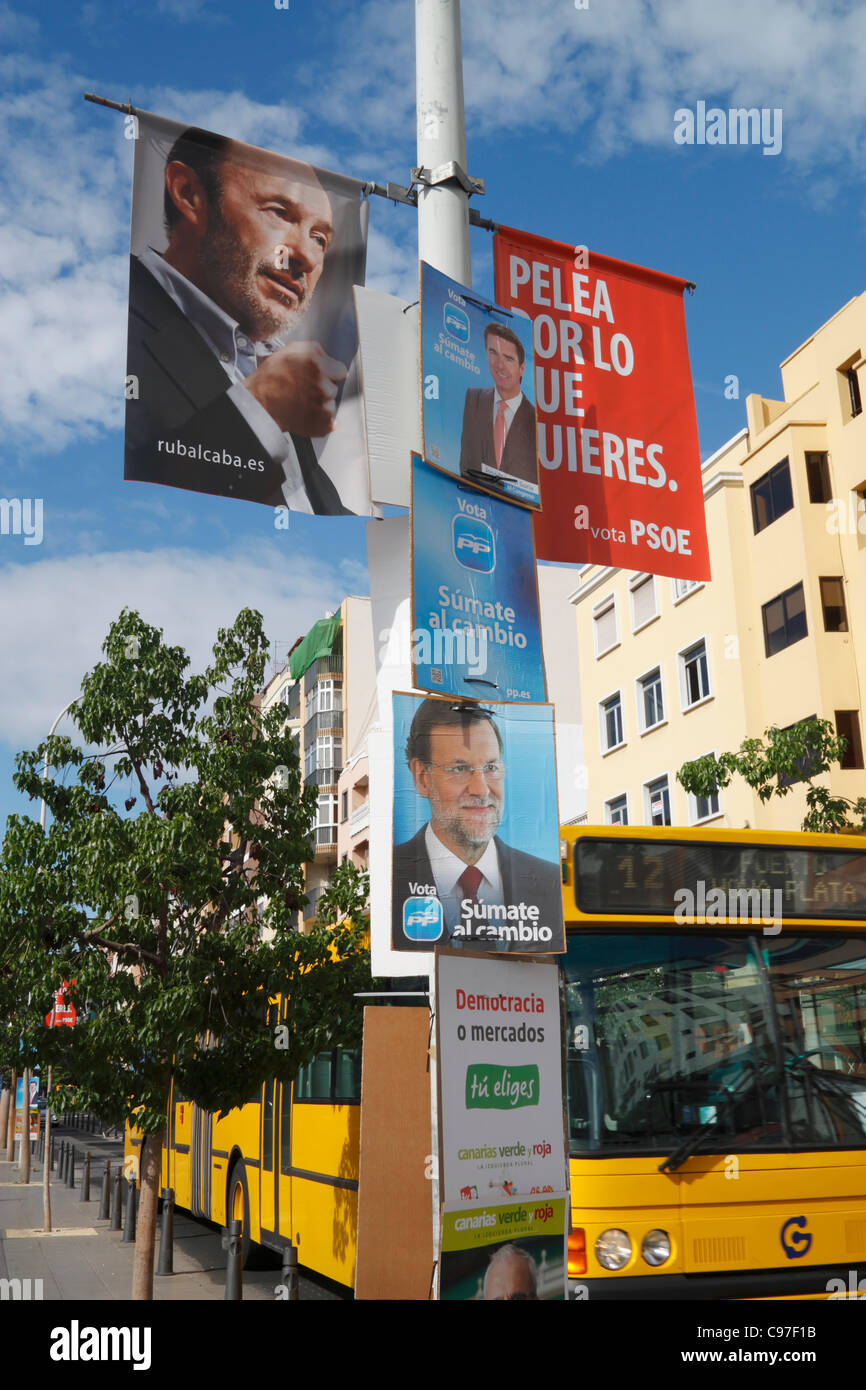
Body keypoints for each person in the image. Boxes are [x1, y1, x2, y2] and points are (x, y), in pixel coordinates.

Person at [125, 127, 354, 513]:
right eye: (280, 213)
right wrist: (259, 406)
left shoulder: (281, 370)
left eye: (320, 238)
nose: (307, 257)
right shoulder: (110, 310)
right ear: (188, 194)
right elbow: (121, 494)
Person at [392, 700, 563, 950]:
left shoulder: (549, 883)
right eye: (460, 768)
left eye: (491, 767)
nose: (481, 790)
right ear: (421, 778)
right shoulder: (391, 879)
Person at [459, 322, 538, 491]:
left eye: (508, 358)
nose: (499, 365)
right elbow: (466, 464)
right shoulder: (473, 399)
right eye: (493, 353)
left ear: (522, 368)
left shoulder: (535, 421)